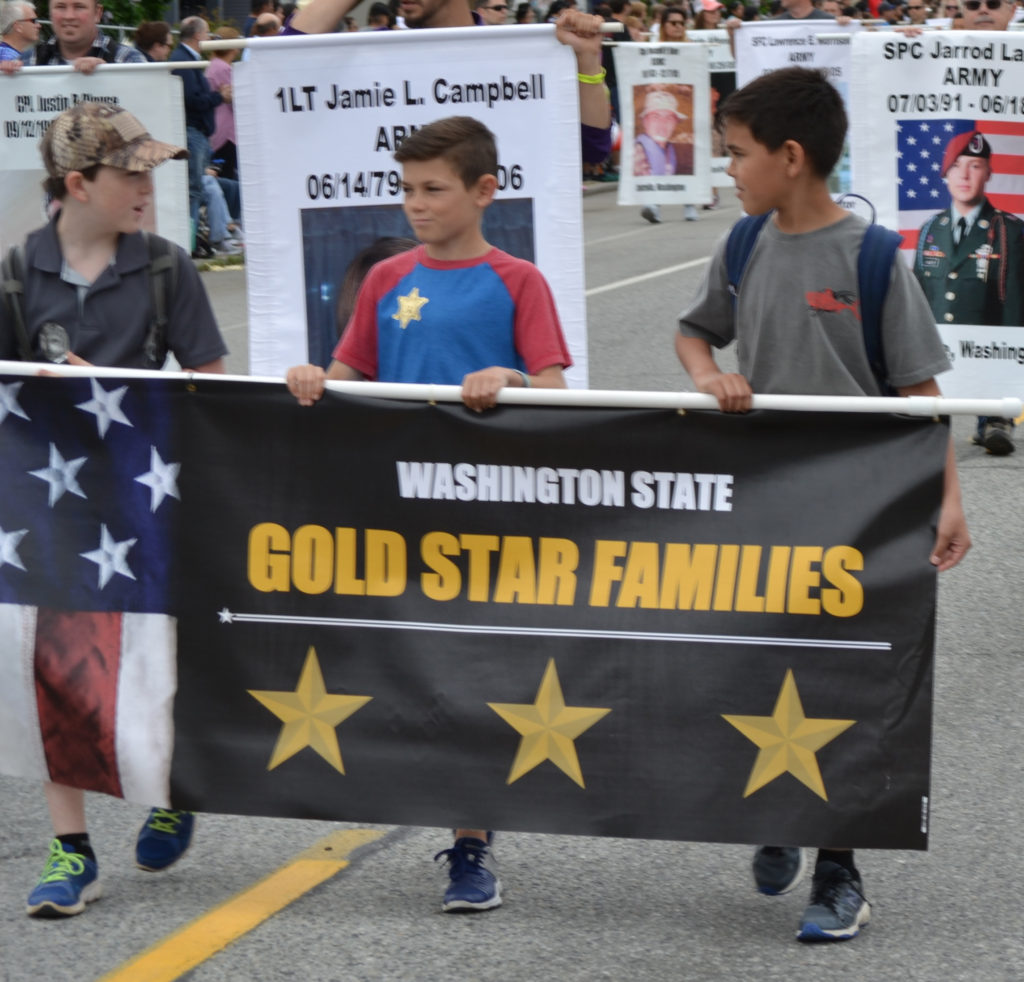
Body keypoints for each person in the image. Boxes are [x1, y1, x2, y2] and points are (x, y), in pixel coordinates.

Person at [675, 67, 970, 943]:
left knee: (849, 689)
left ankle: (840, 872)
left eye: (736, 153)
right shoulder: (742, 245)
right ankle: (778, 811)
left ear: (791, 157)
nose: (727, 169)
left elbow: (921, 395)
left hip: (865, 513)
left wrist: (949, 501)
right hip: (766, 507)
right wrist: (711, 375)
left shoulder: (874, 259)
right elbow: (696, 332)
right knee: (759, 674)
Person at [286, 117, 571, 912]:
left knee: (472, 678)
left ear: (484, 192)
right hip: (393, 512)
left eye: (433, 189)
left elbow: (555, 391)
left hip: (482, 517)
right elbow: (347, 377)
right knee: (400, 672)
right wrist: (315, 376)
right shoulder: (386, 280)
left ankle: (471, 843)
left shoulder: (518, 280)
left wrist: (510, 376)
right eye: (406, 189)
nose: (415, 204)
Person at [0, 101, 228, 918]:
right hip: (49, 512)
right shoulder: (15, 275)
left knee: (154, 668)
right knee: (53, 671)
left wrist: (129, 396)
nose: (148, 184)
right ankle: (71, 851)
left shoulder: (167, 267)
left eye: (151, 169)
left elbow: (213, 387)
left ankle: (169, 784)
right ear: (77, 184)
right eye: (130, 172)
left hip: (147, 504)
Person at [913, 130, 1024, 454]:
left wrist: (1011, 379)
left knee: (989, 368)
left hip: (987, 341)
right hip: (940, 343)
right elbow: (920, 295)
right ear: (945, 174)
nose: (964, 174)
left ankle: (994, 419)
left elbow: (1014, 304)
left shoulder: (1009, 230)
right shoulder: (930, 230)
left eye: (975, 165)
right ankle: (932, 416)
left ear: (988, 173)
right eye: (957, 166)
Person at [170, 17, 232, 236]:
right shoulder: (184, 62)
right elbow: (192, 100)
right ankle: (191, 239)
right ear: (197, 35)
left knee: (197, 187)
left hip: (199, 133)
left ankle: (195, 237)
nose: (208, 38)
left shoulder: (189, 60)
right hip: (193, 131)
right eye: (206, 33)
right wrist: (219, 97)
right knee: (193, 189)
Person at [34, 0, 145, 68]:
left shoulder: (129, 61)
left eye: (79, 7)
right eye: (60, 7)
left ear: (97, 13)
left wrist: (110, 77)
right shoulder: (29, 61)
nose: (69, 16)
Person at [206, 26, 242, 182]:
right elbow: (236, 99)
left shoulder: (213, 65)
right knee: (226, 177)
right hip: (226, 131)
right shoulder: (224, 69)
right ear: (233, 48)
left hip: (217, 127)